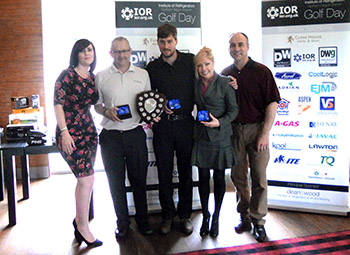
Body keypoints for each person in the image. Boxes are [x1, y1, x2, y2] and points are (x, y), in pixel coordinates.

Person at [221, 32, 281, 242]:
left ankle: (258, 221)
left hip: (257, 130)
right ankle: (244, 215)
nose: (236, 48)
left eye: (240, 44)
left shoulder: (262, 72)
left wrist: (265, 133)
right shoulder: (225, 74)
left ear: (248, 47)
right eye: (232, 45)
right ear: (228, 49)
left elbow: (272, 103)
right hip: (234, 131)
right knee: (238, 178)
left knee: (259, 178)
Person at [94, 37, 152, 239]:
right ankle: (122, 222)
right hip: (111, 137)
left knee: (139, 182)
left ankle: (143, 221)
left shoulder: (143, 74)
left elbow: (148, 103)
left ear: (131, 51)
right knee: (115, 183)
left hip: (135, 134)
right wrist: (106, 112)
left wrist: (153, 114)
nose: (121, 55)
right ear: (111, 53)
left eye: (125, 51)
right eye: (117, 52)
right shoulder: (101, 76)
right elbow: (97, 105)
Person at [146, 24, 195, 235]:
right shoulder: (152, 68)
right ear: (157, 42)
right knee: (164, 173)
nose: (166, 46)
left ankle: (185, 216)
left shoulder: (191, 61)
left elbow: (209, 78)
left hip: (186, 124)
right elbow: (147, 98)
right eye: (162, 42)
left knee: (185, 173)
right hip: (163, 126)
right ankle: (167, 216)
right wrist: (158, 105)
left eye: (169, 41)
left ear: (176, 41)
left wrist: (228, 83)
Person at [54, 39, 102, 248]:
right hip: (70, 133)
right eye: (82, 51)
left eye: (90, 50)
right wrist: (64, 132)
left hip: (89, 133)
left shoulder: (93, 78)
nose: (87, 54)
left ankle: (79, 222)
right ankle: (82, 226)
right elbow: (58, 104)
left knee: (86, 180)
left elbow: (97, 104)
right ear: (76, 54)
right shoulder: (67, 75)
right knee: (86, 179)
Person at [192, 47, 238, 237]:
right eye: (200, 65)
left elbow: (233, 110)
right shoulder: (194, 83)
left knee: (219, 179)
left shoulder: (225, 83)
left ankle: (217, 217)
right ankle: (205, 215)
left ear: (213, 63)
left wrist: (220, 122)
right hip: (202, 137)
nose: (204, 69)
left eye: (207, 64)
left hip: (220, 137)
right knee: (203, 179)